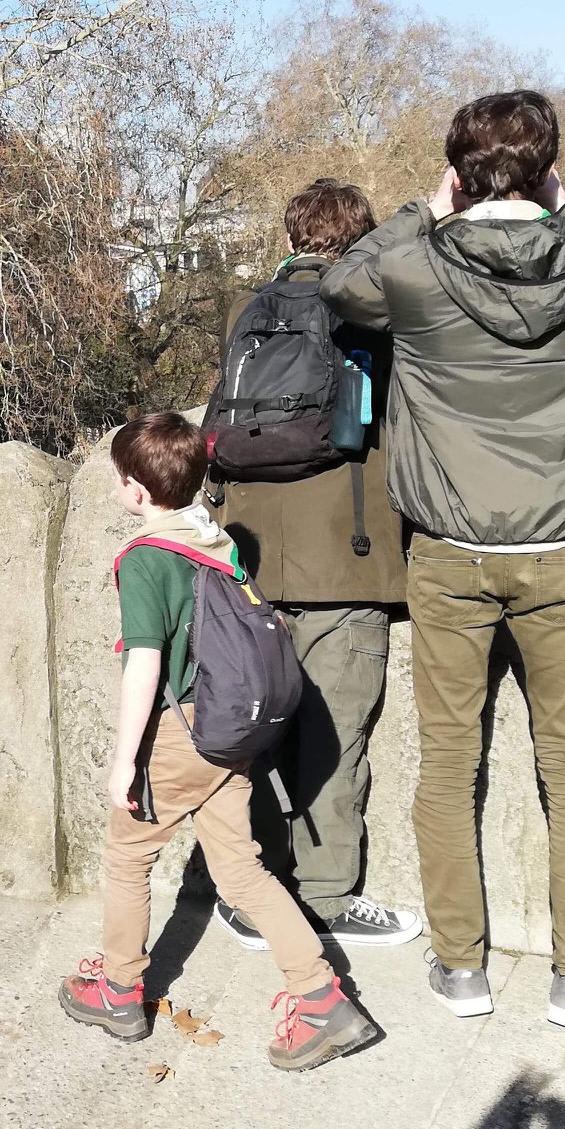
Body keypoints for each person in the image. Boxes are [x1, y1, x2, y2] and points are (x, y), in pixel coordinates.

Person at [323, 90, 565, 1032]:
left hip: (450, 554)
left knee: (447, 761)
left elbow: (339, 281)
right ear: (549, 169)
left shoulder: (417, 269)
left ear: (459, 173)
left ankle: (461, 968)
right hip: (564, 554)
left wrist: (425, 210)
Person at [58, 412, 377, 1071]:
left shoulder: (148, 559)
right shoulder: (217, 543)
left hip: (179, 736)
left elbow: (145, 664)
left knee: (128, 857)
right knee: (240, 868)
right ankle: (320, 995)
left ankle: (119, 989)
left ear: (136, 492)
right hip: (232, 734)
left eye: (122, 481)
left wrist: (125, 762)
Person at [212, 179, 420, 950]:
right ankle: (328, 897)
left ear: (291, 231)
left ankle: (249, 892)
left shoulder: (244, 314)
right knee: (336, 738)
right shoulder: (374, 312)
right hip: (349, 560)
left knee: (252, 730)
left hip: (250, 562)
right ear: (359, 239)